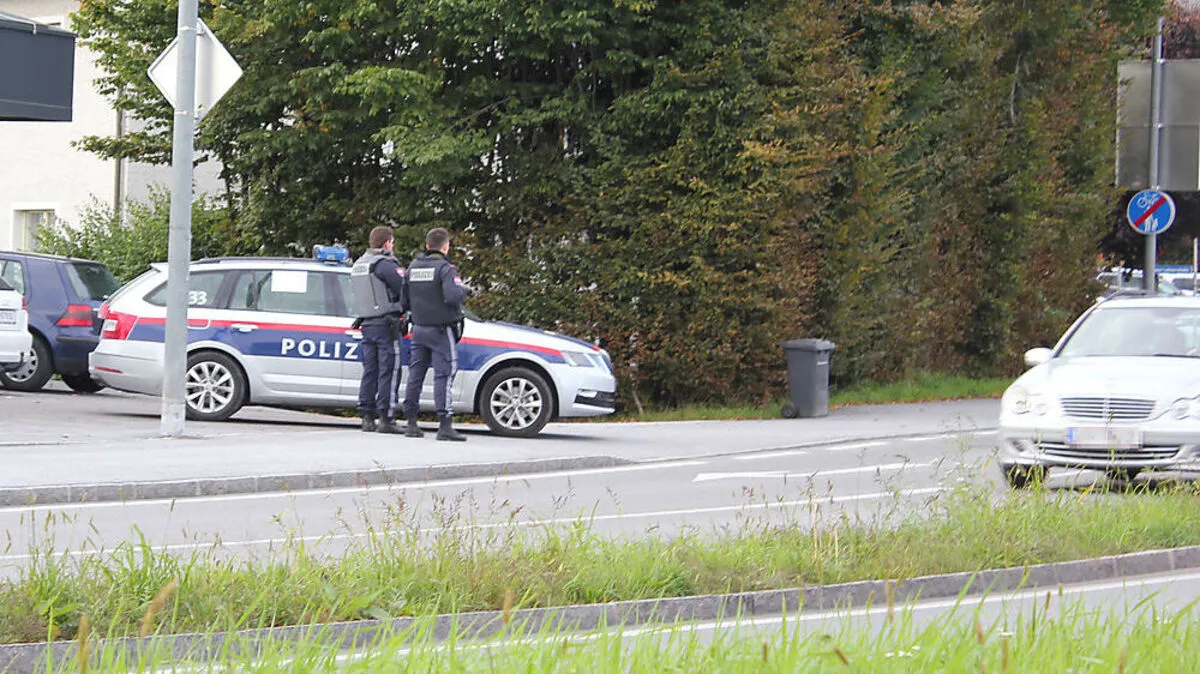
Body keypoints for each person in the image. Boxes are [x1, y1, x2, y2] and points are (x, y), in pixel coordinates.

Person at [401, 227, 470, 441]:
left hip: (418, 329)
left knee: (415, 375)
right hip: (440, 330)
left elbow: (404, 301)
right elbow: (452, 296)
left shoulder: (413, 267)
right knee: (444, 375)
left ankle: (411, 422)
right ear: (445, 246)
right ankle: (445, 424)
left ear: (427, 245)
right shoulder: (446, 269)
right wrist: (464, 291)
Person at [350, 225, 409, 433]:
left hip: (367, 324)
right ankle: (386, 418)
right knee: (389, 371)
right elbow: (403, 288)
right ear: (387, 243)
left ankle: (367, 417)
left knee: (370, 371)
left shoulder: (360, 263)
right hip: (387, 324)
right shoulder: (384, 264)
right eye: (392, 242)